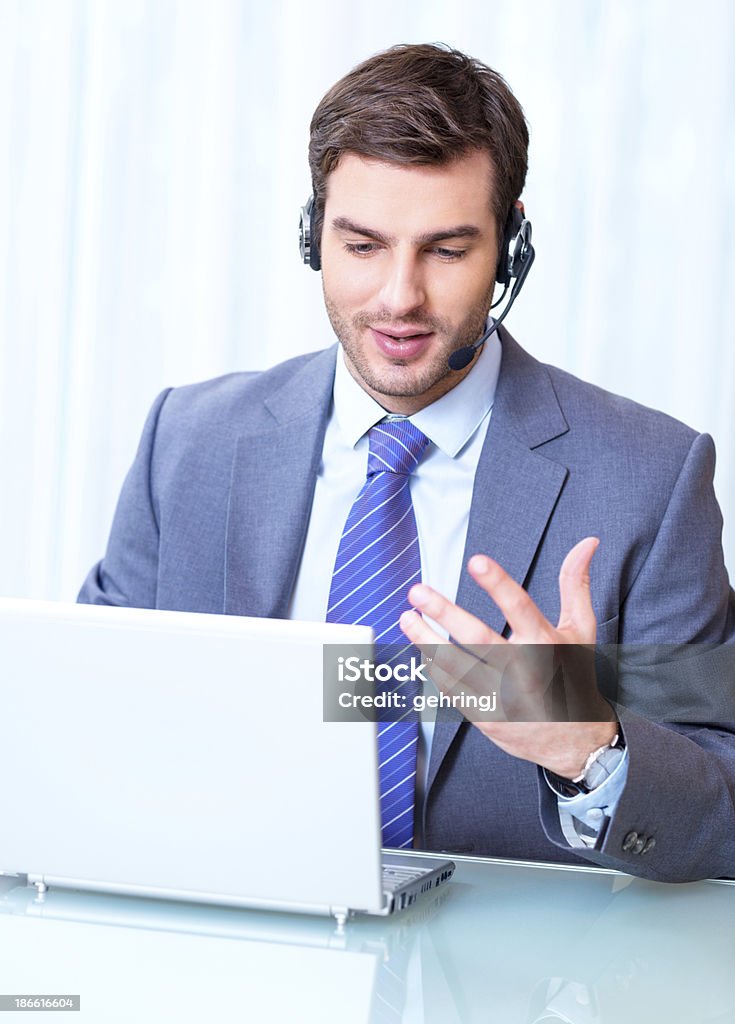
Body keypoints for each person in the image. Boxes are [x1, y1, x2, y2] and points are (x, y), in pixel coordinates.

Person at [79, 43, 735, 881]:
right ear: (313, 235)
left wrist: (588, 747)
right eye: (362, 245)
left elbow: (720, 817)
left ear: (509, 249)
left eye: (445, 250)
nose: (398, 297)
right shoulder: (188, 443)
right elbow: (89, 715)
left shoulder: (649, 478)